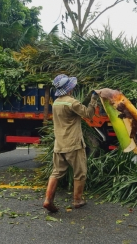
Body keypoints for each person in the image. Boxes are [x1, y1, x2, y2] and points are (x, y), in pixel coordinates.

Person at [43, 74, 101, 213]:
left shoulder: (56, 102)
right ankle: (77, 200)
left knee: (56, 173)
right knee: (80, 173)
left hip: (59, 145)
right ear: (69, 88)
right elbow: (88, 114)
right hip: (73, 144)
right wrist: (93, 99)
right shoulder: (72, 102)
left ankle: (48, 200)